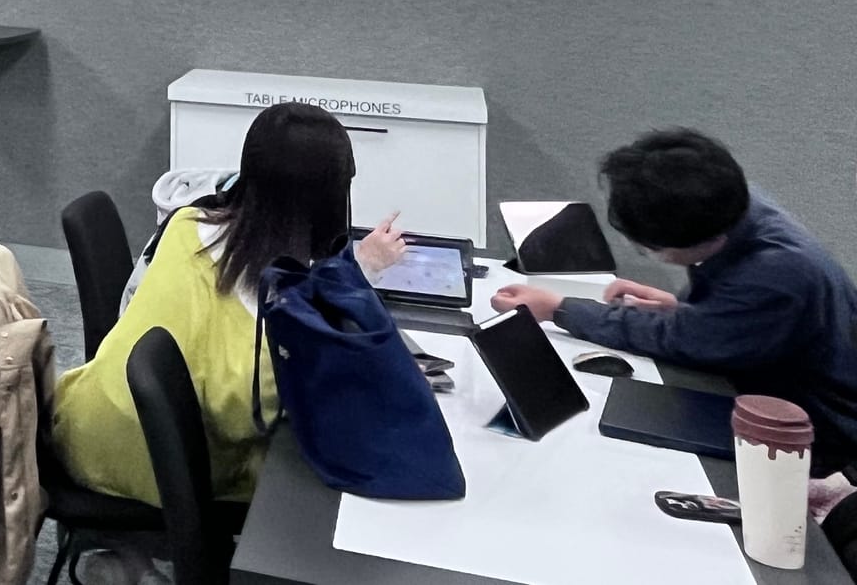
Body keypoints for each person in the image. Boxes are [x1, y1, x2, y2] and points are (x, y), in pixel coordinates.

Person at [52, 103, 405, 509]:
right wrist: (357, 278)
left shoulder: (187, 223)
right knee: (321, 482)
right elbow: (246, 415)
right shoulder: (266, 305)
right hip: (146, 465)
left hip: (85, 420)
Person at [493, 128, 857, 474]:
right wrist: (687, 311)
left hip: (813, 433)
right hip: (767, 379)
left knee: (613, 442)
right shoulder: (738, 208)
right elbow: (729, 324)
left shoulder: (775, 273)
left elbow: (682, 340)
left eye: (648, 248)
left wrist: (558, 309)